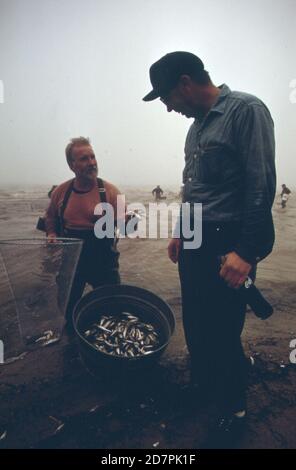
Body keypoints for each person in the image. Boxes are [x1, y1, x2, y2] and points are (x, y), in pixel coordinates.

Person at [143, 52, 276, 447]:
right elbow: (193, 188)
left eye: (167, 97)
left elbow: (260, 185)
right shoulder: (196, 128)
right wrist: (181, 231)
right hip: (196, 241)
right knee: (197, 323)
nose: (168, 108)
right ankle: (202, 387)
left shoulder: (246, 111)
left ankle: (233, 407)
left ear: (186, 83)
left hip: (230, 241)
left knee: (223, 330)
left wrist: (247, 252)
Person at [45, 137, 122, 325]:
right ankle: (73, 343)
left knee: (112, 310)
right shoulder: (61, 192)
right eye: (84, 159)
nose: (91, 163)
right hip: (71, 261)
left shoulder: (110, 192)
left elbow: (125, 225)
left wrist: (131, 221)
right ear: (72, 165)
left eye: (93, 157)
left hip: (103, 260)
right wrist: (52, 234)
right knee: (68, 309)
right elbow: (50, 217)